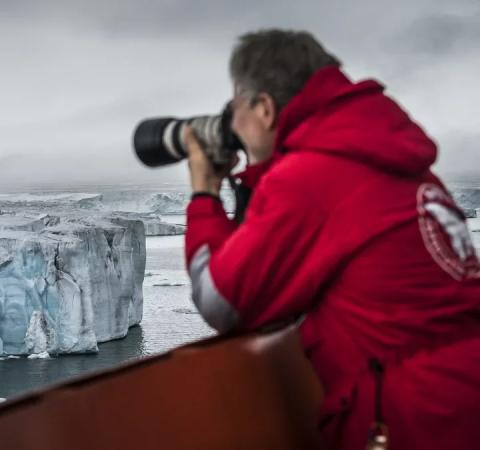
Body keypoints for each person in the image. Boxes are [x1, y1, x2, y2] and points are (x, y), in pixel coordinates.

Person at [183, 29, 480, 450]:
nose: (232, 124)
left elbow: (220, 301)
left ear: (265, 109)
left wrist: (204, 193)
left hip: (414, 419)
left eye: (235, 107)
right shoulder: (388, 156)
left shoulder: (311, 177)